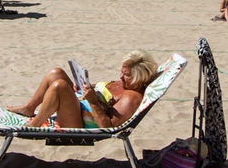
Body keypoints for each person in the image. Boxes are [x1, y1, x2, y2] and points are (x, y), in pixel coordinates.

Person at [9, 51, 159, 129]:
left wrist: (93, 101)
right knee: (56, 73)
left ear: (139, 78)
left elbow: (108, 127)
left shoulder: (131, 98)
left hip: (81, 122)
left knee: (60, 86)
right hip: (80, 105)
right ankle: (29, 108)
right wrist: (87, 86)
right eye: (122, 72)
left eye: (126, 75)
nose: (121, 76)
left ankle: (35, 124)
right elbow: (104, 93)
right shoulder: (123, 84)